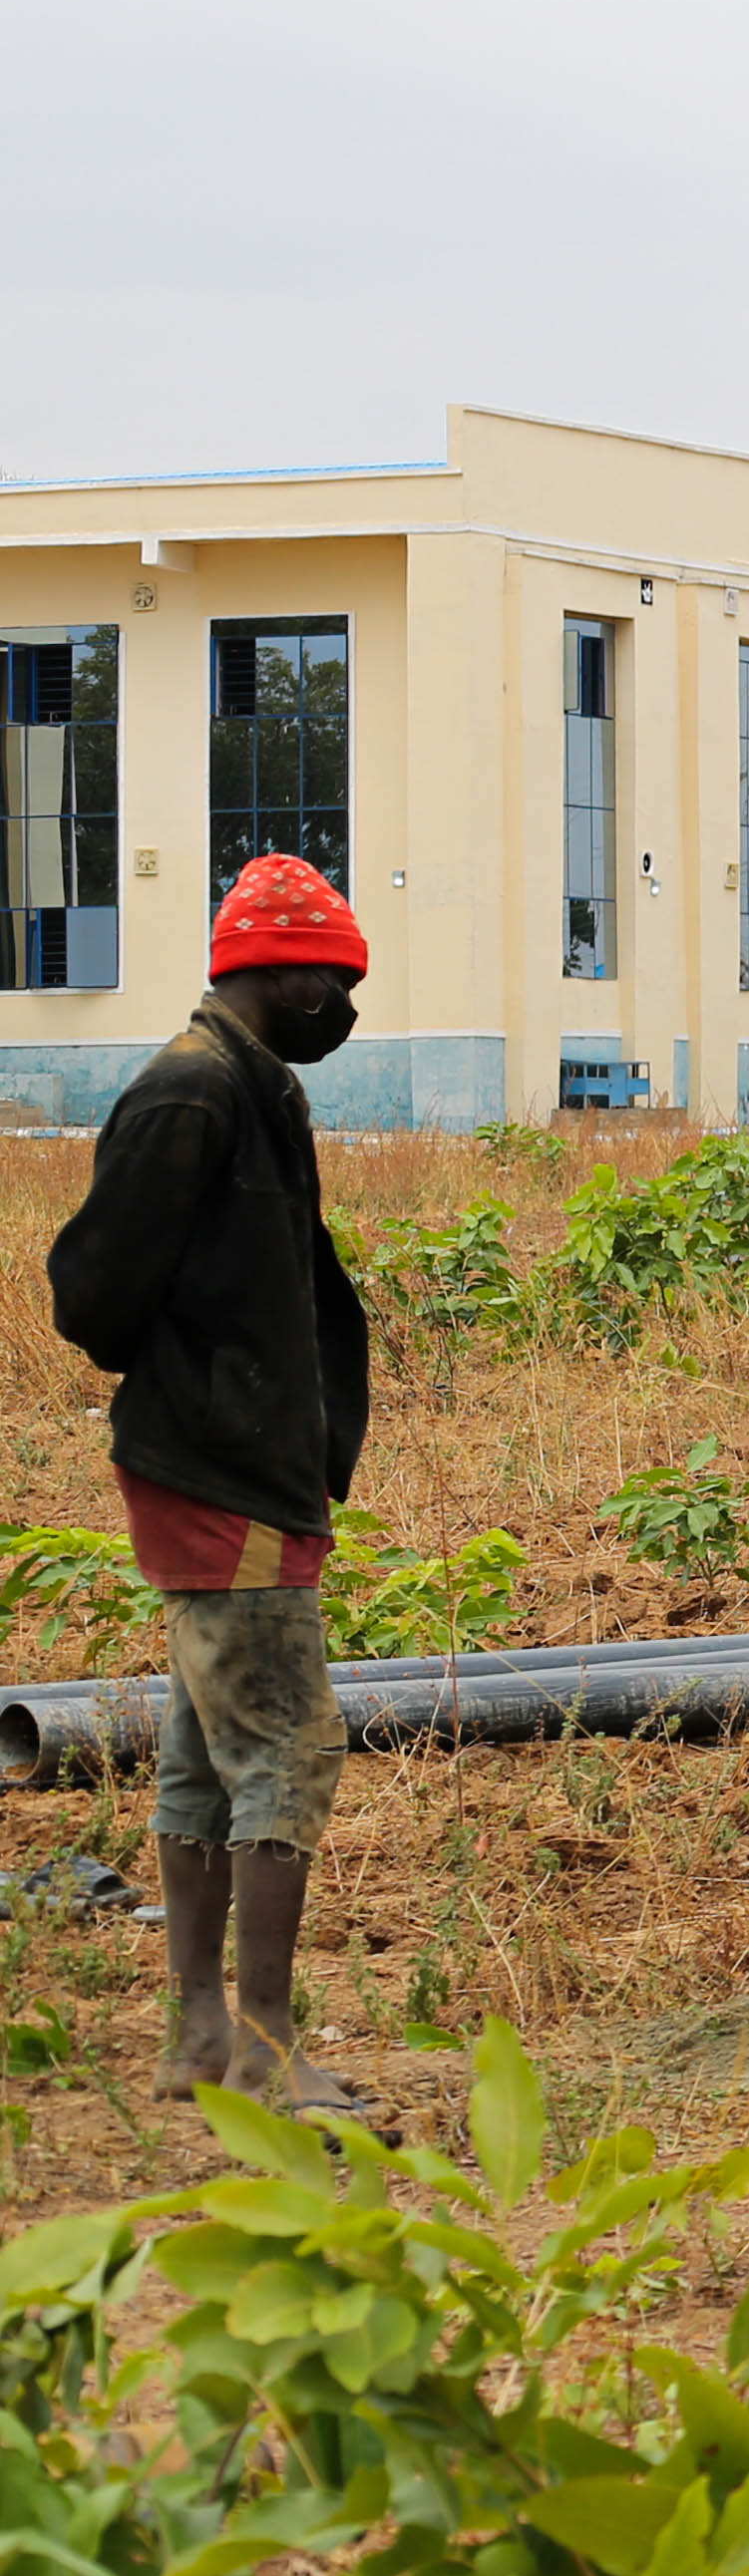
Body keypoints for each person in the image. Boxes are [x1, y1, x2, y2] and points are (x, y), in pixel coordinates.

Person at [43, 855, 379, 2108]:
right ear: (262, 972)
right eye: (326, 979)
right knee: (289, 1742)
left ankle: (196, 2040)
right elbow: (94, 1293)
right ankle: (268, 2045)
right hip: (216, 1467)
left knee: (201, 1751)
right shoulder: (189, 1097)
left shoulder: (254, 1086)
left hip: (249, 1462)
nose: (339, 1002)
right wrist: (205, 1389)